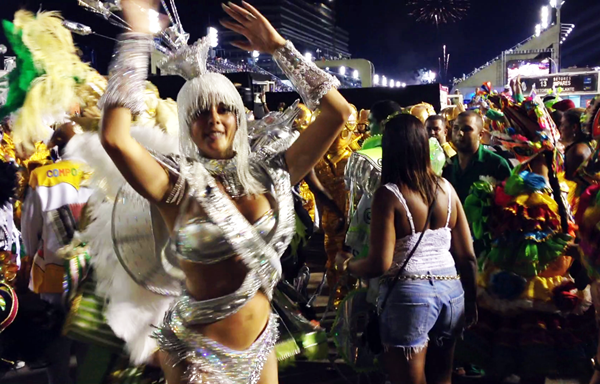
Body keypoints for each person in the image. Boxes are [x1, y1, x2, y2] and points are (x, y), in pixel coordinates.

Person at [99, 2, 351, 384]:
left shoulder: (273, 173)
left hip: (262, 343)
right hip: (198, 356)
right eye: (200, 111)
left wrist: (279, 47)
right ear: (186, 124)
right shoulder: (175, 186)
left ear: (237, 116)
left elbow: (338, 112)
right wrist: (137, 37)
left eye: (223, 109)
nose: (214, 119)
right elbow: (115, 139)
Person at [336, 113, 477, 384]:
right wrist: (470, 300)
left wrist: (348, 265)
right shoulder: (447, 188)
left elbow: (379, 263)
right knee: (442, 378)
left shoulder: (389, 195)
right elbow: (467, 255)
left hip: (410, 296)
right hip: (452, 293)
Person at [21, 121, 92, 384]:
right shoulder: (101, 173)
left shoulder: (41, 176)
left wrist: (31, 256)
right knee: (88, 342)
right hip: (90, 277)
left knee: (55, 345)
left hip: (51, 278)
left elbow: (30, 232)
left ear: (58, 147)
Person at [443, 111, 511, 204]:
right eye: (456, 128)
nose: (460, 133)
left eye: (467, 129)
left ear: (481, 134)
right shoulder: (447, 165)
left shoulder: (496, 164)